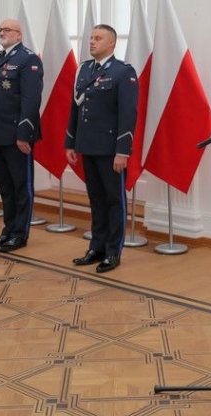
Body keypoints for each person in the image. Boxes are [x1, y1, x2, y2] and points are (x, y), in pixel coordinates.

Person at [66, 24, 138, 273]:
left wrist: (123, 151)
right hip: (88, 146)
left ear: (112, 44)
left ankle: (112, 252)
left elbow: (128, 115)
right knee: (96, 200)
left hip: (110, 150)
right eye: (91, 37)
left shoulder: (123, 72)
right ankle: (96, 247)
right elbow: (75, 109)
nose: (92, 42)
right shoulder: (85, 69)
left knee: (114, 200)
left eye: (98, 38)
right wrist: (70, 142)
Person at [0, 19, 44, 253]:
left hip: (16, 134)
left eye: (7, 30)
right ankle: (7, 230)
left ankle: (19, 234)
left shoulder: (28, 59)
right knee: (5, 186)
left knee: (20, 186)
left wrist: (24, 134)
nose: (3, 33)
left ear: (19, 35)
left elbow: (31, 100)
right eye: (1, 30)